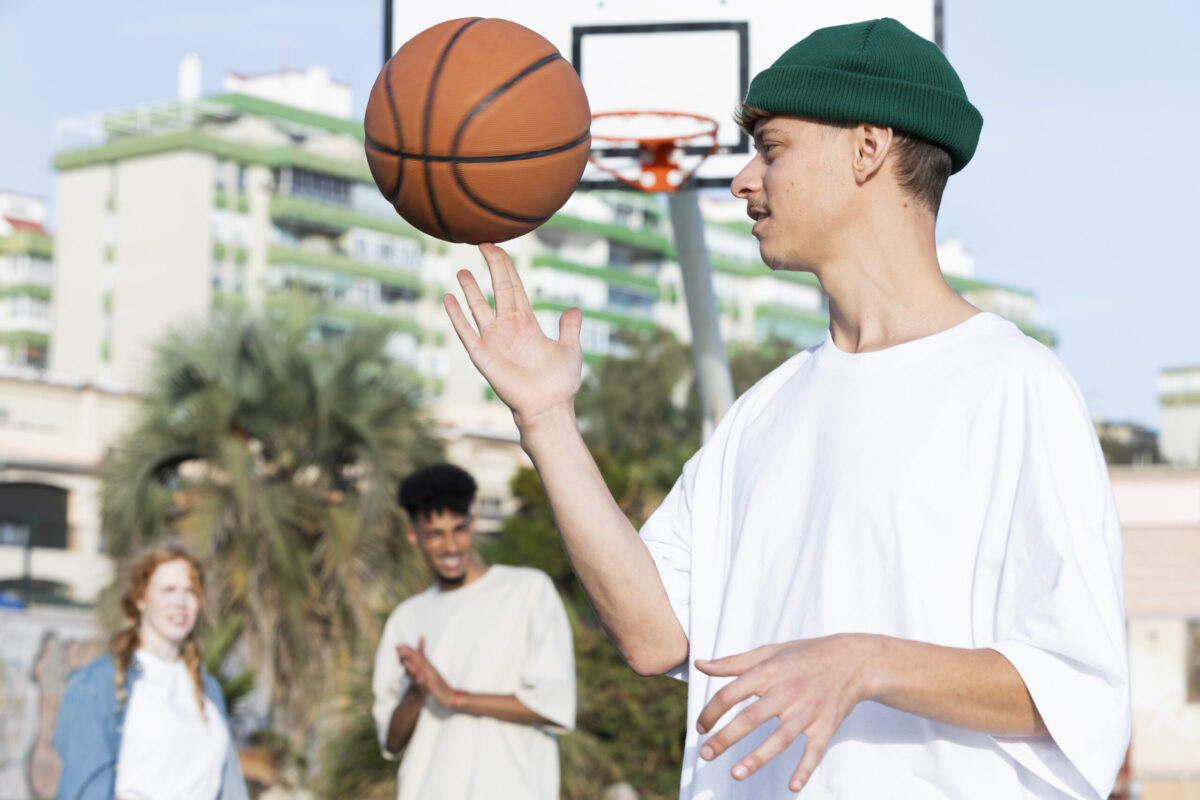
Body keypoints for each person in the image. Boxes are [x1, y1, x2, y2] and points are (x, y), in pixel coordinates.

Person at [442, 17, 1129, 800]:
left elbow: (1079, 692)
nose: (743, 180)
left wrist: (867, 662)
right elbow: (653, 634)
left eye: (771, 149)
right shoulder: (762, 412)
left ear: (868, 148)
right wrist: (546, 421)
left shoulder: (1015, 386)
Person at [372, 463, 575, 799]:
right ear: (413, 536)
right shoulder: (405, 619)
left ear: (473, 524)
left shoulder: (527, 591)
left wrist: (454, 696)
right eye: (435, 534)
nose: (451, 546)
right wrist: (418, 692)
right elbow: (391, 742)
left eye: (459, 529)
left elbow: (553, 704)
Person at [53, 541, 248, 800]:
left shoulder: (208, 687)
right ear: (140, 599)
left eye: (190, 591)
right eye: (168, 590)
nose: (180, 602)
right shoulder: (98, 683)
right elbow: (82, 788)